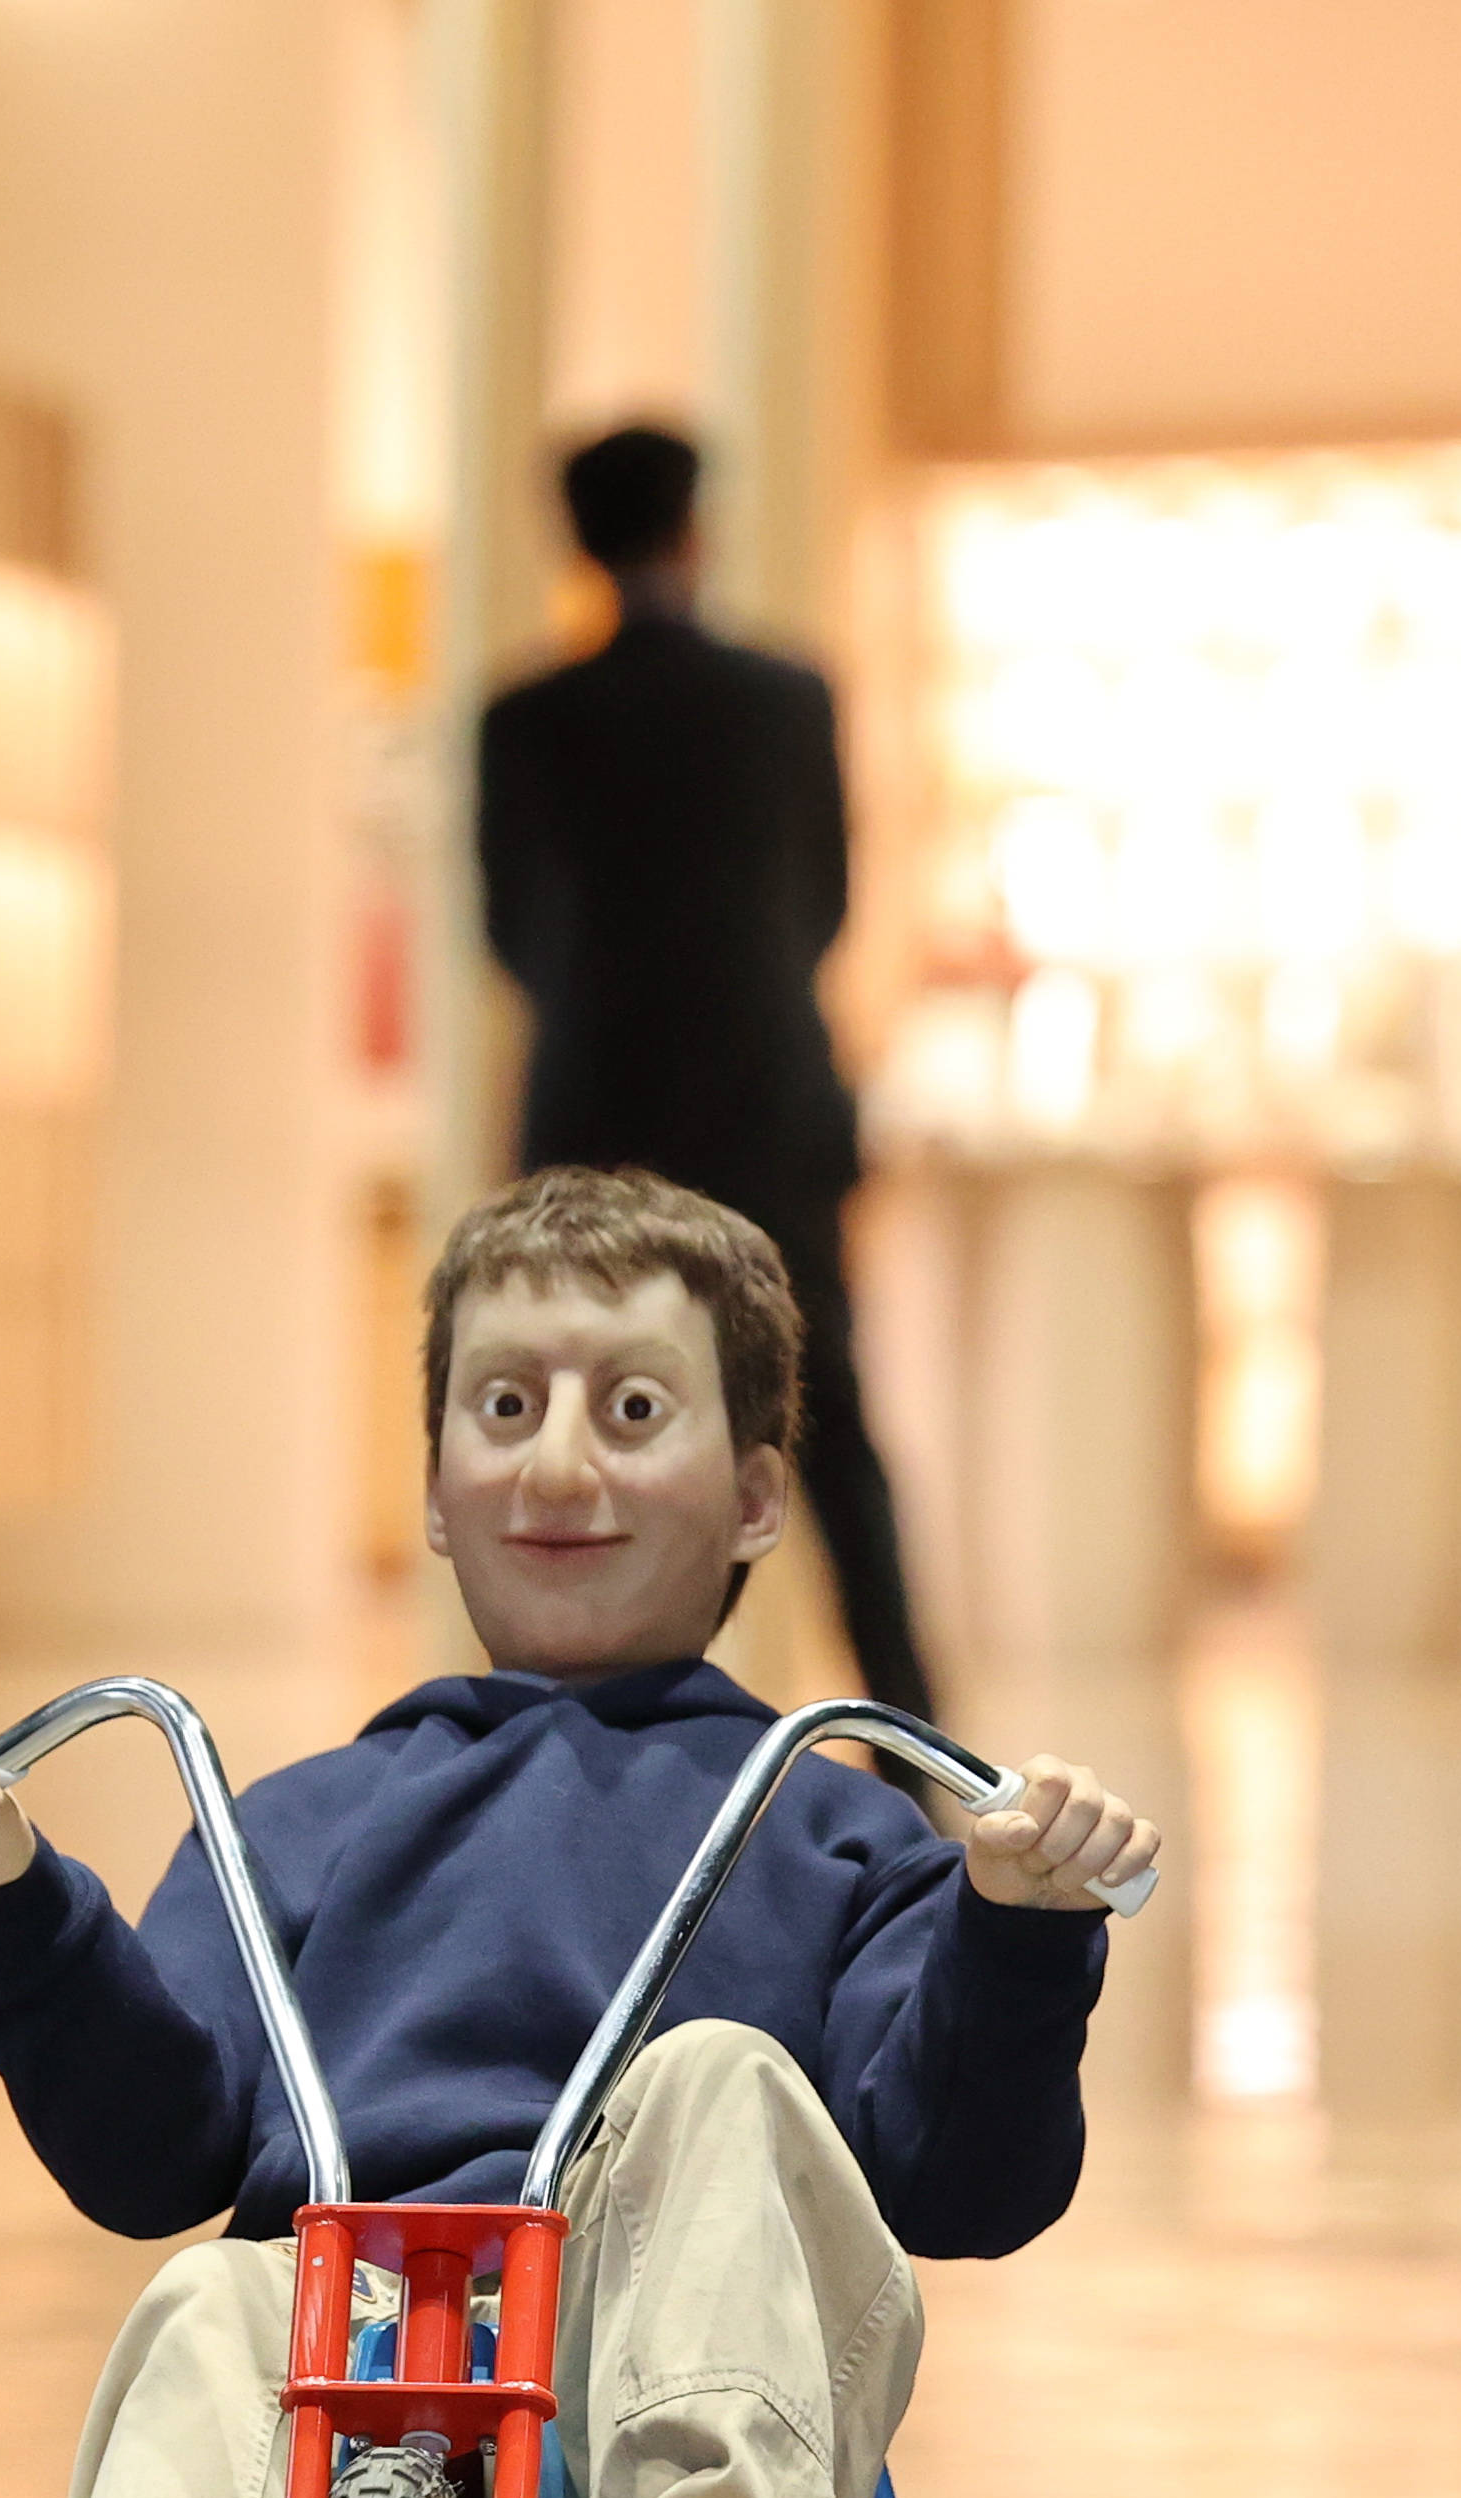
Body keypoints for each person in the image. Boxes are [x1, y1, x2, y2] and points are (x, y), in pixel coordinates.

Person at [0, 1170, 1156, 2498]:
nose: (559, 1464)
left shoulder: (834, 1822)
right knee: (213, 2298)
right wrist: (11, 1904)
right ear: (436, 1488)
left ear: (756, 1497)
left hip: (657, 2345)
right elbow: (153, 2151)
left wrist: (1015, 1935)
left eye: (634, 1409)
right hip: (356, 2346)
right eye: (507, 1406)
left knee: (715, 2077)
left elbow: (964, 2177)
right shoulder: (302, 1821)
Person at [478, 425, 934, 1723]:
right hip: (764, 1114)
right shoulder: (786, 699)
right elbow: (826, 907)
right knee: (830, 1432)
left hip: (596, 1125)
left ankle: (573, 1730)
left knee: (573, 1429)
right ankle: (911, 1735)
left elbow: (508, 934)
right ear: (695, 529)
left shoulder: (527, 718)